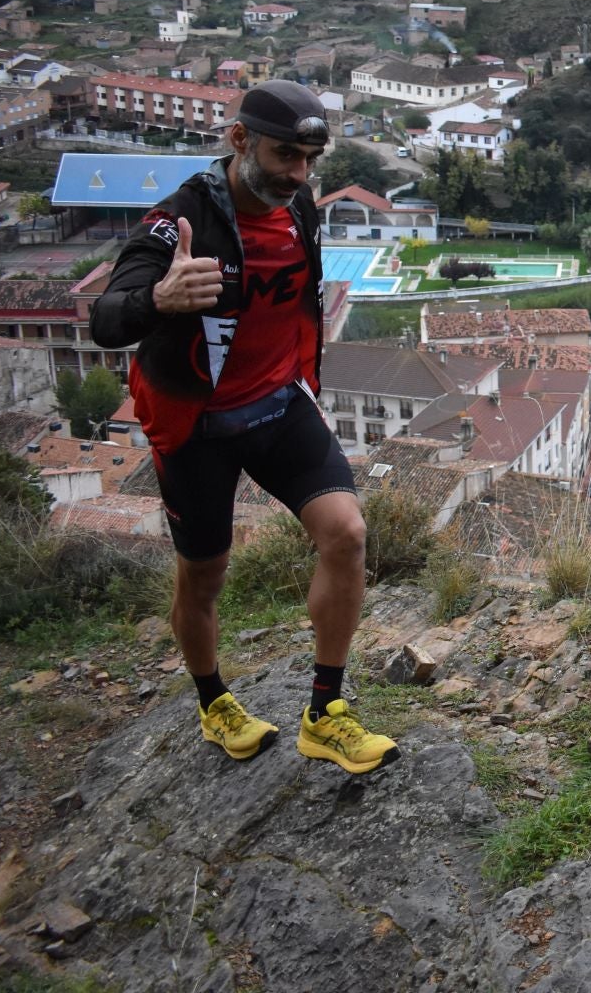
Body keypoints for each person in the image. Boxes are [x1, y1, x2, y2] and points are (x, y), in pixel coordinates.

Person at [93, 81, 398, 776]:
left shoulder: (300, 208)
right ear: (238, 140)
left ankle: (325, 714)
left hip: (277, 405)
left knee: (346, 533)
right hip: (196, 424)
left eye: (310, 159)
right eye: (285, 155)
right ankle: (214, 702)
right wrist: (159, 298)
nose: (298, 173)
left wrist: (305, 380)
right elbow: (106, 318)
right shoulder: (178, 221)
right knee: (204, 575)